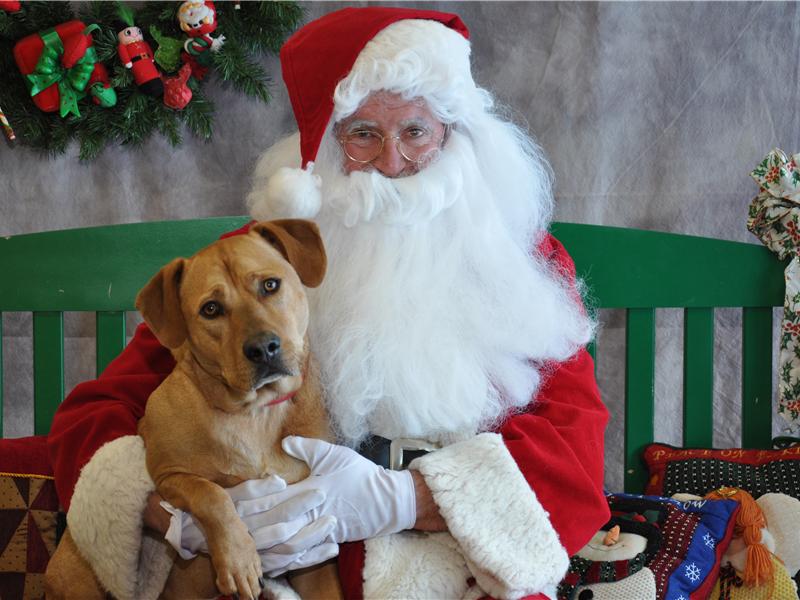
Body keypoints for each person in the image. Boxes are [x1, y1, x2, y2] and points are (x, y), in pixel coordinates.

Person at [47, 7, 610, 600]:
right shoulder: (263, 258)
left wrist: (407, 500)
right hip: (301, 562)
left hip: (464, 556)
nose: (393, 163)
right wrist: (175, 516)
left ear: (454, 132)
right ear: (326, 147)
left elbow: (573, 447)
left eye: (416, 131)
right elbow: (103, 411)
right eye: (364, 134)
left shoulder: (521, 257)